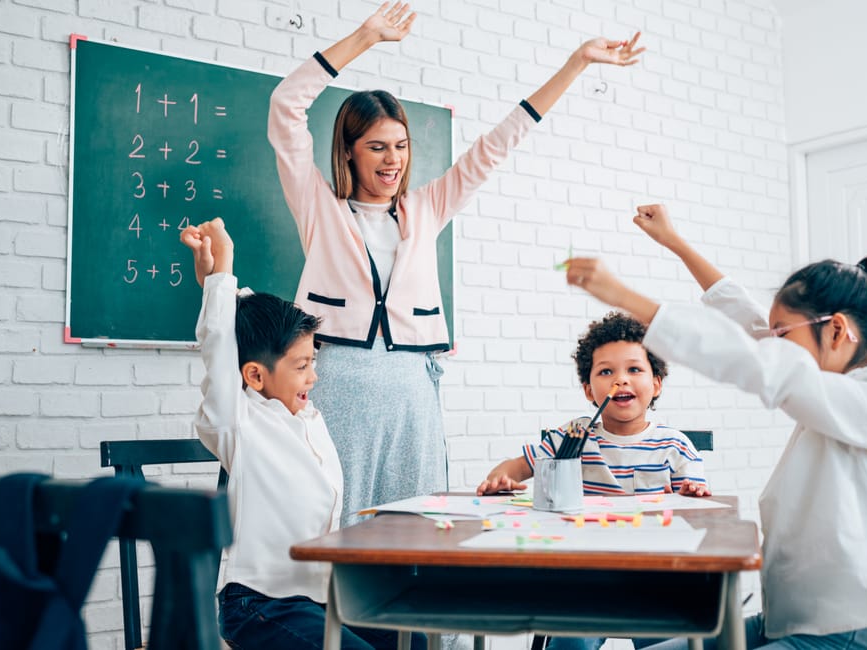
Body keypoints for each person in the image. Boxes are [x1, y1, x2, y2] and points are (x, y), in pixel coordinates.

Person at [267, 2, 645, 525]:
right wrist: (366, 36)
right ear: (349, 151)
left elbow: (497, 145)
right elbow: (286, 106)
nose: (392, 160)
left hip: (412, 389)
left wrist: (576, 63)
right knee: (337, 518)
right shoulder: (319, 208)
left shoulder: (426, 208)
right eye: (376, 147)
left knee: (414, 520)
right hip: (339, 382)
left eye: (400, 146)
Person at [563, 204, 867, 650]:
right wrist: (675, 243)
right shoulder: (836, 390)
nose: (772, 345)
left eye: (783, 336)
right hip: (794, 620)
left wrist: (624, 296)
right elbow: (754, 329)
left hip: (850, 635)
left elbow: (761, 362)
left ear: (837, 331)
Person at [180, 218, 425, 650]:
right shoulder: (239, 421)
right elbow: (220, 347)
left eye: (313, 361)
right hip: (260, 605)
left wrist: (229, 293)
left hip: (320, 598)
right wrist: (222, 274)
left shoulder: (309, 419)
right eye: (301, 366)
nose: (313, 376)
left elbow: (257, 324)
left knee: (412, 639)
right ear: (254, 376)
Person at [478, 311, 710, 499]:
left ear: (656, 385)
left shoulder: (675, 446)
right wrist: (499, 478)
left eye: (634, 369)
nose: (621, 380)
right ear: (589, 390)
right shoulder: (574, 436)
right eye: (606, 371)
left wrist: (685, 497)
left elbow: (696, 501)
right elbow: (516, 467)